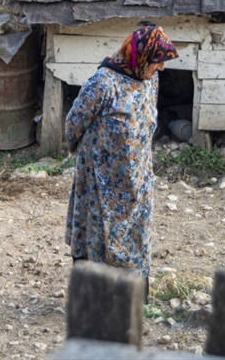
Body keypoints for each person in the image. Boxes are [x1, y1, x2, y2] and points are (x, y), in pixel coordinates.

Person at [64, 21, 178, 306]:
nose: (161, 68)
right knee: (95, 236)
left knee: (135, 237)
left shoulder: (149, 80)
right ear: (140, 56)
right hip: (100, 182)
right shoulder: (103, 82)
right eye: (157, 61)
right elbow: (73, 125)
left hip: (136, 177)